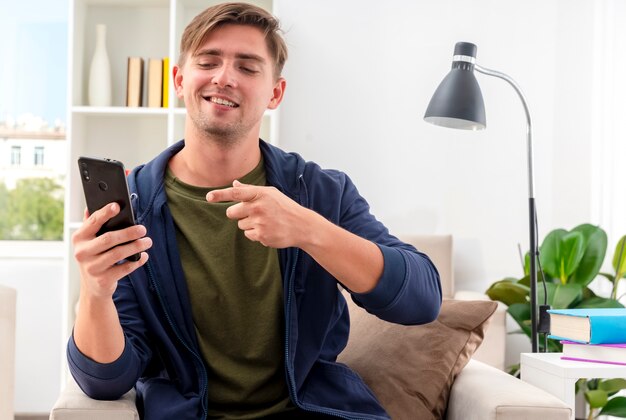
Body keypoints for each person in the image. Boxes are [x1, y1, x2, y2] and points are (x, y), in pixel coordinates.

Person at [68, 3, 442, 419]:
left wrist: (310, 230)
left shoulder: (319, 191)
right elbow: (106, 381)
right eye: (208, 62)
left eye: (247, 68)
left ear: (275, 93)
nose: (224, 78)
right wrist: (95, 291)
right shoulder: (133, 204)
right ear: (179, 79)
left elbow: (420, 301)